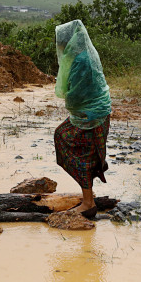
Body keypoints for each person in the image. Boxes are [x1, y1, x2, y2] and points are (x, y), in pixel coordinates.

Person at [53, 20, 112, 219]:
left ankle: (88, 202)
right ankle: (89, 195)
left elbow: (76, 94)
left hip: (92, 115)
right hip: (97, 112)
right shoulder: (83, 54)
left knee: (65, 139)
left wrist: (70, 103)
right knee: (84, 153)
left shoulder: (81, 60)